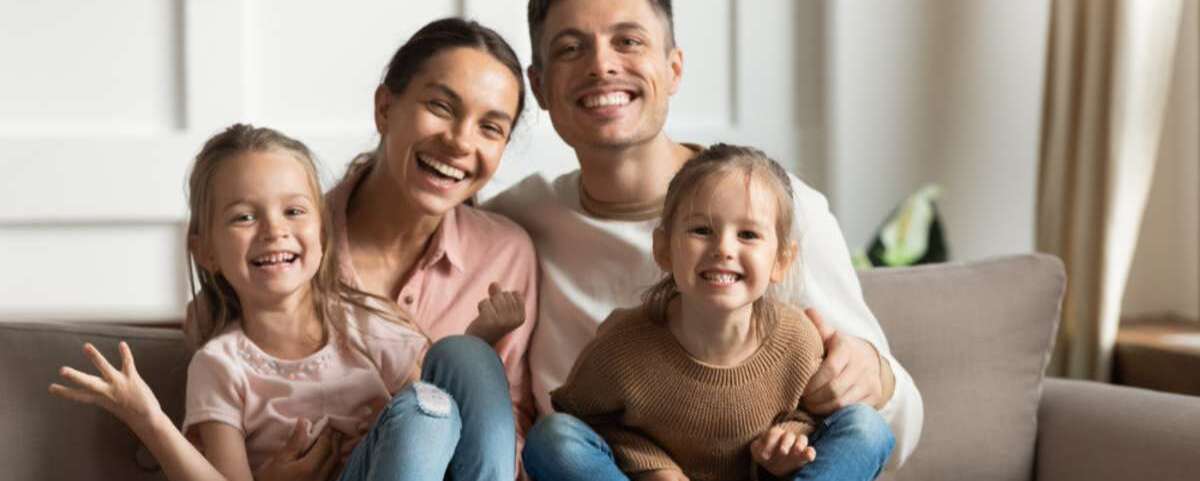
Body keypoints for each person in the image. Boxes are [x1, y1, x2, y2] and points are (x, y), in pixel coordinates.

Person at [485, 0, 923, 472]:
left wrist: (873, 374)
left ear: (673, 69)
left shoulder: (779, 209)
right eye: (571, 48)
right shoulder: (517, 221)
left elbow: (896, 424)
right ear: (540, 85)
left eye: (628, 41)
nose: (602, 65)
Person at [49, 123, 523, 480]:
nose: (274, 229)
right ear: (206, 251)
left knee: (454, 365)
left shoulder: (363, 324)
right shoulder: (221, 366)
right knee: (423, 413)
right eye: (243, 217)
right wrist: (148, 418)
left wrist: (480, 340)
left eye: (294, 210)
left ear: (321, 230)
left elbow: (440, 399)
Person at [523, 144, 894, 481]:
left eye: (748, 235)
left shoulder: (796, 338)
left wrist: (792, 441)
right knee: (552, 438)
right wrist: (655, 468)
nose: (723, 249)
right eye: (701, 230)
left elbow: (811, 415)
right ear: (664, 249)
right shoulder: (623, 347)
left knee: (867, 427)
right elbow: (583, 425)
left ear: (781, 261)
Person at [326, 17, 539, 479]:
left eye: (490, 128)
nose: (460, 141)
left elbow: (510, 429)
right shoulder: (293, 244)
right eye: (441, 107)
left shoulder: (506, 254)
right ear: (385, 107)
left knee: (465, 359)